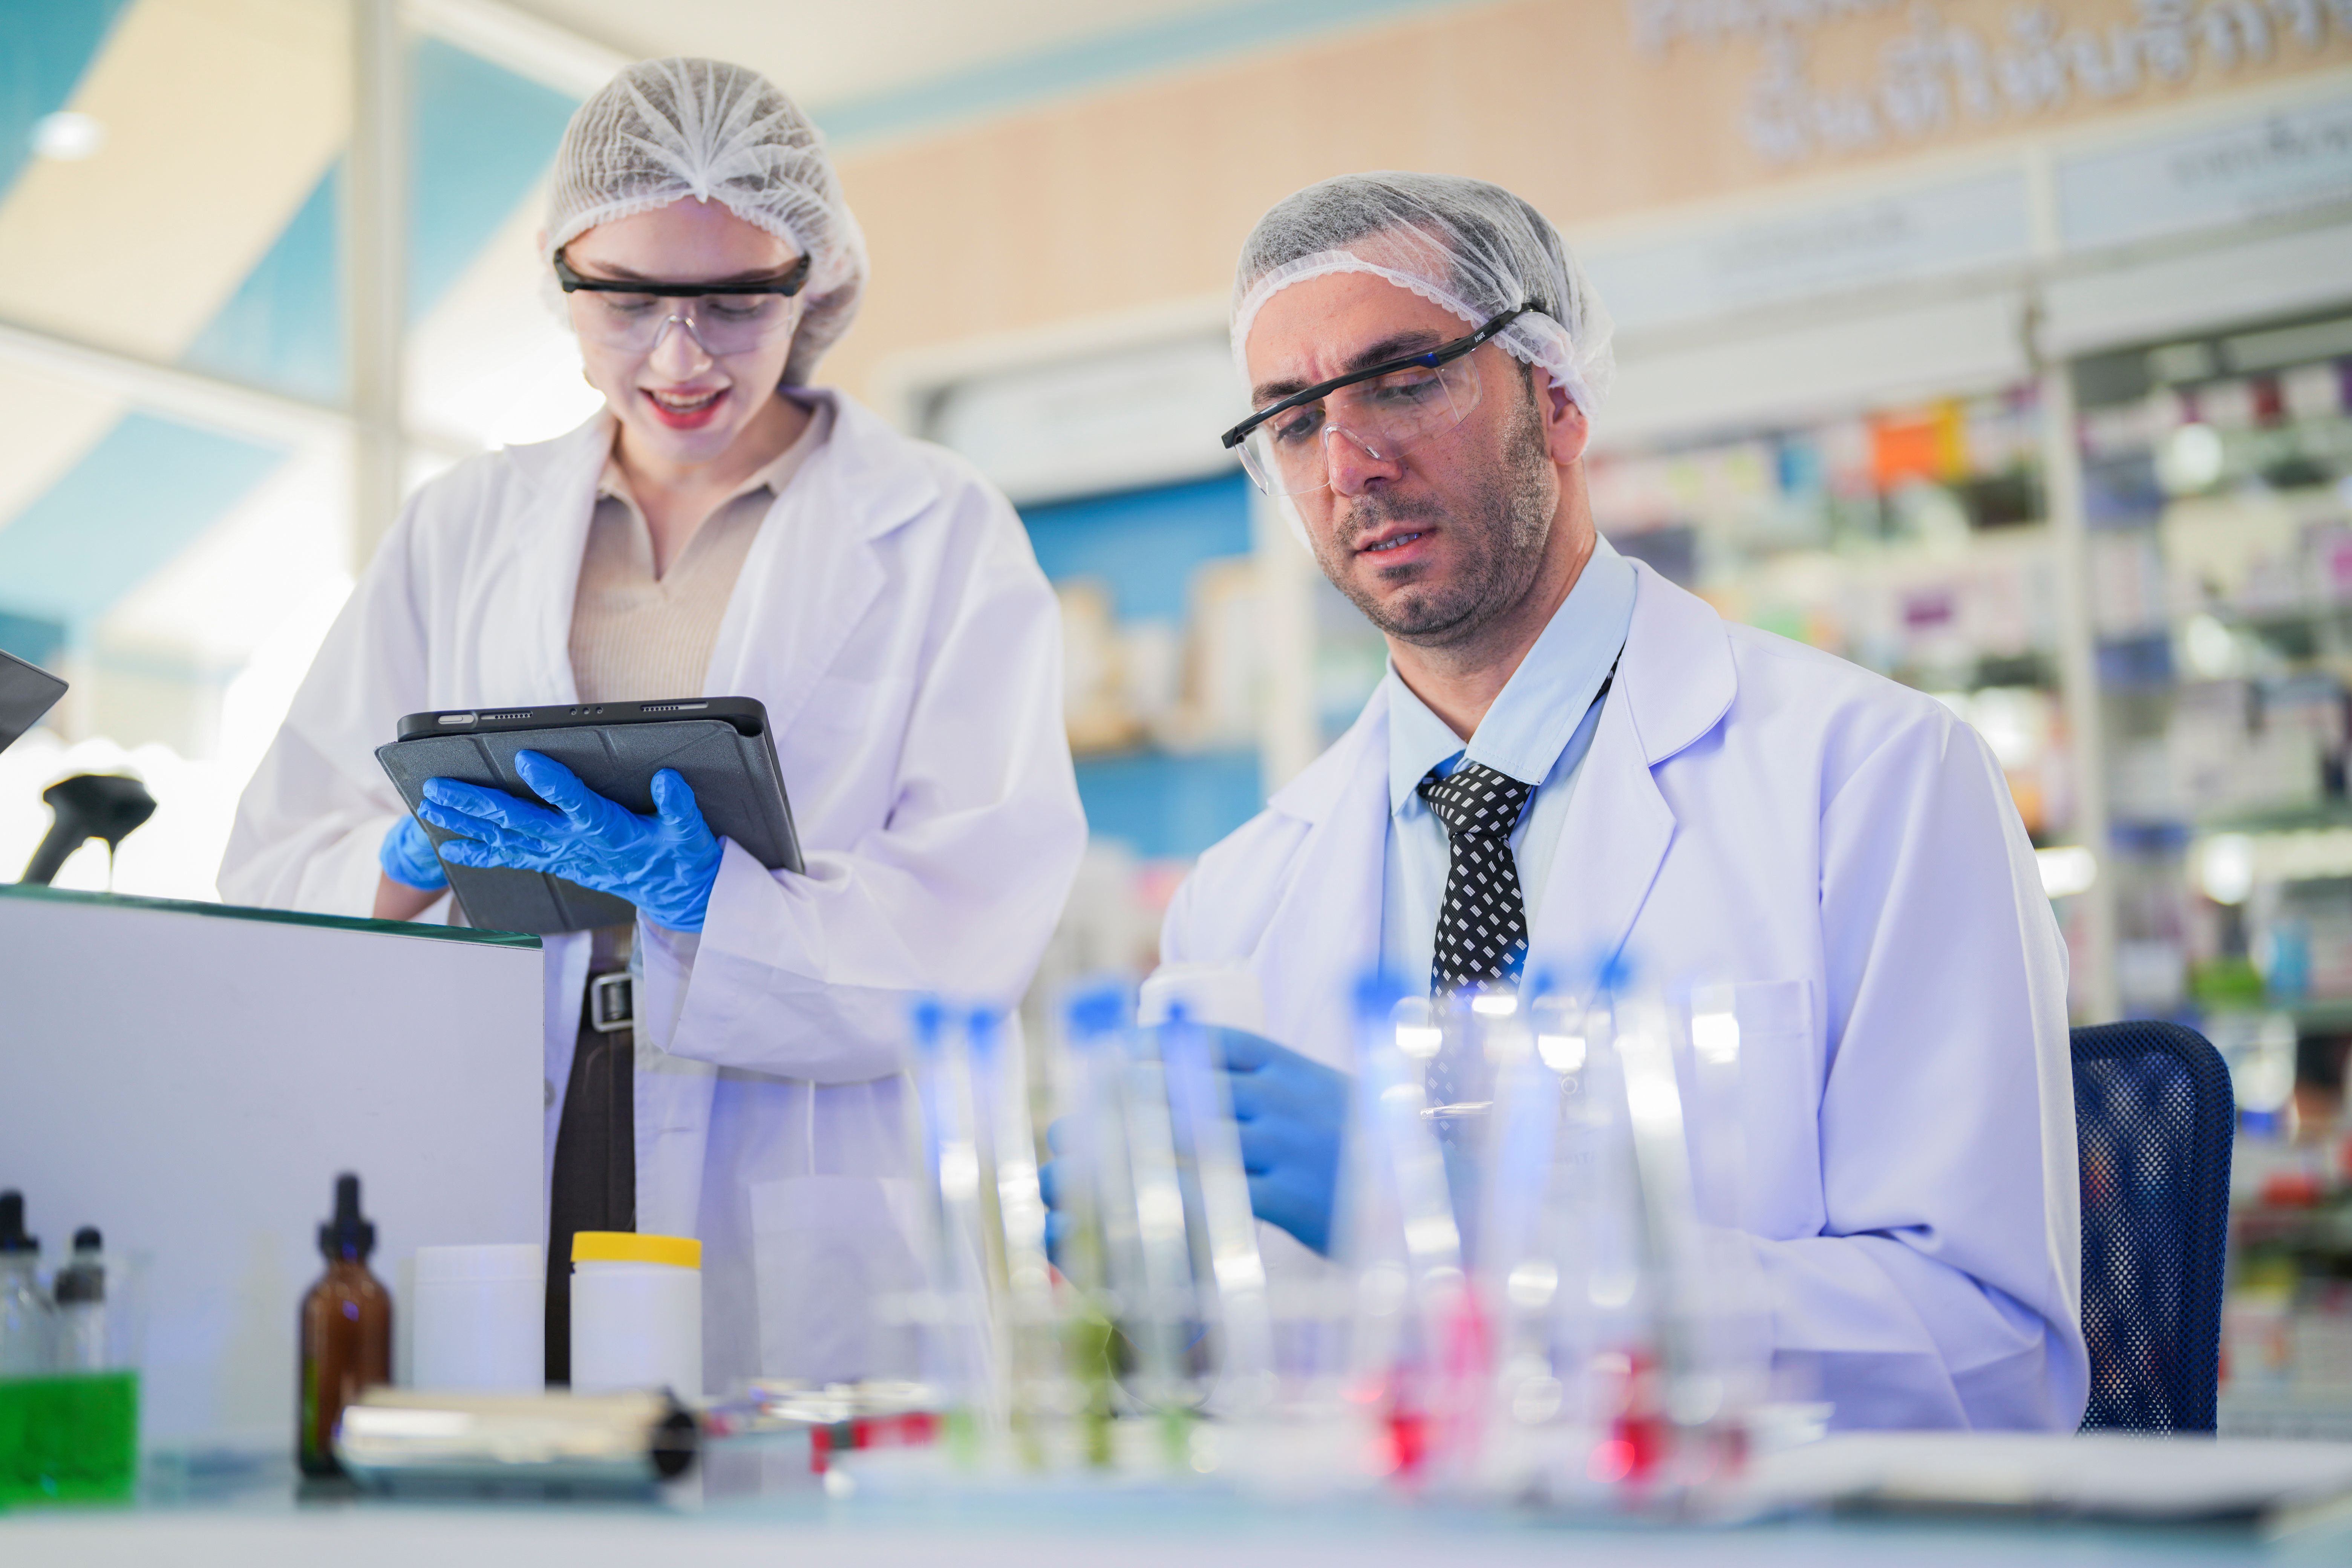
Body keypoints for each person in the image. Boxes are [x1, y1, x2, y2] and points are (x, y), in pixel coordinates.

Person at [1148, 173, 2085, 1430]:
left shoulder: (1875, 779)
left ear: (1558, 395)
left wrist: (1483, 1225)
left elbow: (1992, 1358)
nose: (1352, 465)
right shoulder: (1241, 897)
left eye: (1406, 378)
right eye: (1295, 420)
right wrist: (1141, 1286)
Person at [220, 58, 1085, 1394]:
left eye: (739, 302)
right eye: (626, 301)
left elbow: (978, 912)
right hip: (505, 1122)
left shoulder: (939, 529)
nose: (681, 358)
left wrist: (717, 905)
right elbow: (275, 862)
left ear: (814, 281)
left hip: (787, 1151)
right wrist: (397, 862)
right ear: (563, 280)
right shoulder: (461, 527)